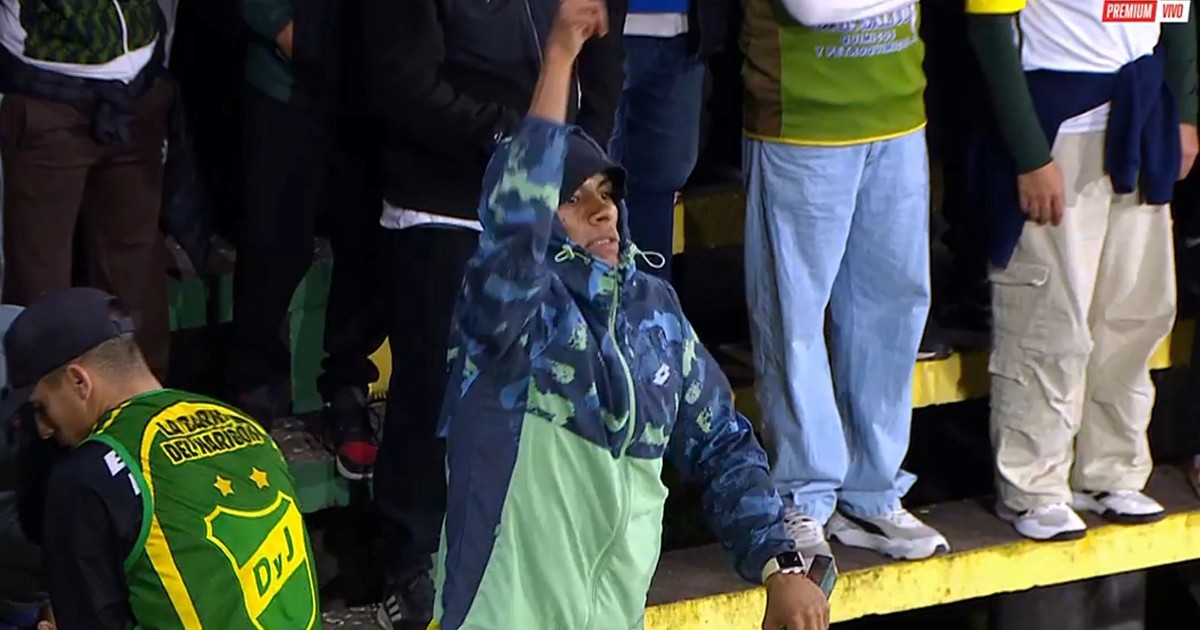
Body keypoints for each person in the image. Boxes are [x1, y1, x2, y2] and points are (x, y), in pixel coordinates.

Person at [433, 3, 833, 629]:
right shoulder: (508, 317)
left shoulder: (656, 316)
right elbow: (514, 219)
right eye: (573, 200)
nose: (604, 212)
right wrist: (560, 56)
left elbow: (723, 445)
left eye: (608, 194)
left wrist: (779, 566)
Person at [361, 0, 625, 622]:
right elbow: (403, 81)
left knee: (548, 395)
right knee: (437, 391)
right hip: (445, 203)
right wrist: (516, 141)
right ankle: (410, 561)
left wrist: (574, 158)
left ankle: (525, 556)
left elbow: (604, 59)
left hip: (549, 208)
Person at [966, 0, 1197, 540]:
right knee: (1049, 317)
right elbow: (989, 25)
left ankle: (1111, 469)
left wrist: (1185, 110)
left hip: (1141, 113)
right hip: (1059, 122)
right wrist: (1029, 153)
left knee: (1135, 310)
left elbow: (1178, 8)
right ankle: (1034, 486)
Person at [740, 0, 949, 559]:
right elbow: (811, 8)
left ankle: (871, 492)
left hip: (899, 111)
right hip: (803, 120)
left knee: (894, 306)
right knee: (794, 317)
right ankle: (801, 498)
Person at [0, 288, 321, 629]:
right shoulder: (246, 426)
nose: (43, 430)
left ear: (80, 382)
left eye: (41, 408)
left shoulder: (86, 475)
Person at [0, 0, 173, 378]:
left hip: (138, 87)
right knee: (41, 281)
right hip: (46, 90)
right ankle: (39, 407)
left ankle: (140, 402)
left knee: (135, 270)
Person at [608, 0, 727, 280]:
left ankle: (650, 304)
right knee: (583, 183)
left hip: (685, 32)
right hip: (592, 27)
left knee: (661, 185)